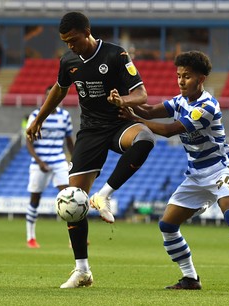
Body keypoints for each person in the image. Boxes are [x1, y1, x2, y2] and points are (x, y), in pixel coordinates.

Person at [119, 51, 229, 293]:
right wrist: (126, 102)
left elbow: (170, 130)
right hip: (196, 174)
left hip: (221, 168)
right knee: (167, 225)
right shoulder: (179, 101)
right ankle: (190, 278)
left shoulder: (207, 106)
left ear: (201, 79)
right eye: (179, 75)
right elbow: (148, 111)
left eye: (187, 76)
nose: (180, 81)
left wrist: (132, 118)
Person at [26, 12, 155, 288]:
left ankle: (104, 195)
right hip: (90, 131)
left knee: (145, 138)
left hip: (118, 123)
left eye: (73, 40)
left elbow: (142, 94)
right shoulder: (68, 61)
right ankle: (82, 270)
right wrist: (39, 119)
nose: (70, 46)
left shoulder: (116, 55)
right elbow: (59, 91)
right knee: (72, 198)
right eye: (65, 42)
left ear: (87, 32)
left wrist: (123, 99)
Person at [25, 85, 75, 248]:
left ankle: (73, 238)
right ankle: (30, 237)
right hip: (40, 163)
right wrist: (39, 162)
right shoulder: (36, 115)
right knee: (35, 199)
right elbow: (29, 141)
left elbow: (69, 141)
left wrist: (76, 160)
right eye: (49, 96)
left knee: (68, 198)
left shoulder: (65, 116)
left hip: (58, 160)